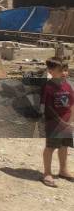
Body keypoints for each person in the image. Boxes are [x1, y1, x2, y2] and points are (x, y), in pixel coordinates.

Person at [41, 58, 73, 187]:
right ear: (51, 71)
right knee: (51, 147)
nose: (64, 73)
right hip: (54, 124)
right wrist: (59, 121)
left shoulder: (67, 85)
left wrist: (70, 121)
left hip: (67, 123)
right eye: (61, 71)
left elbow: (72, 103)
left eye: (65, 70)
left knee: (64, 146)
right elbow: (47, 107)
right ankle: (47, 173)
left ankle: (63, 170)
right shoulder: (48, 87)